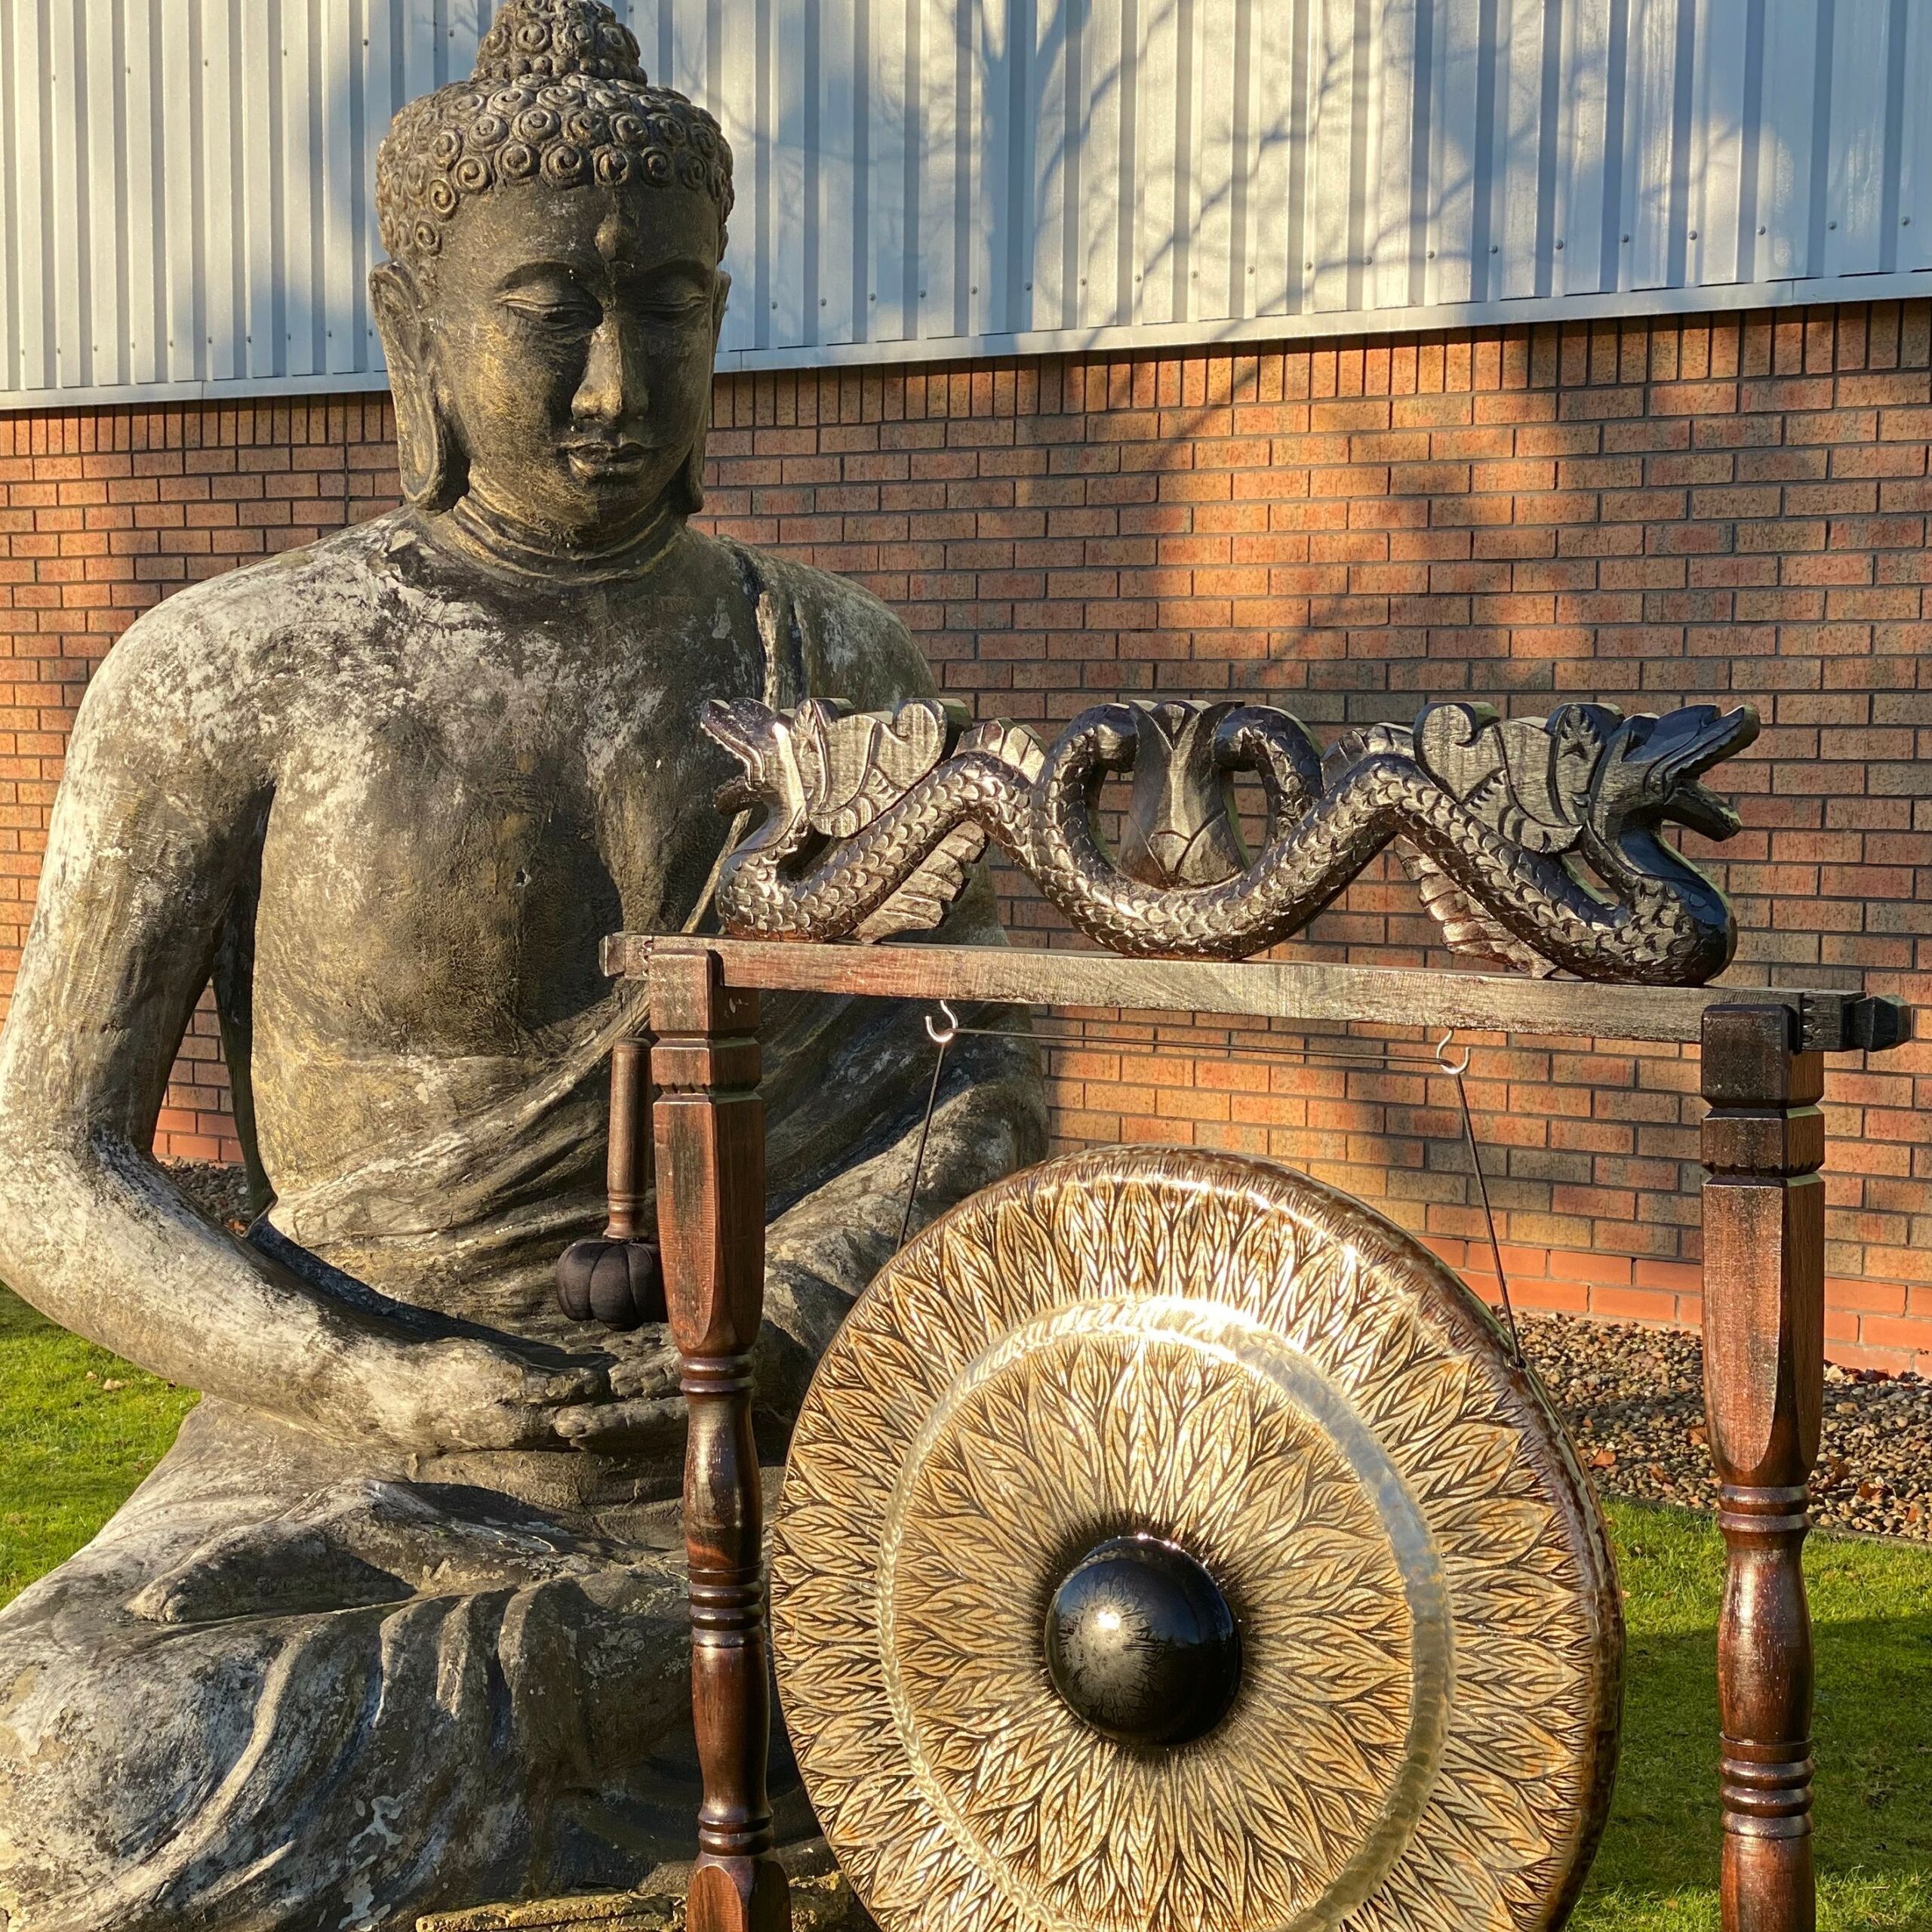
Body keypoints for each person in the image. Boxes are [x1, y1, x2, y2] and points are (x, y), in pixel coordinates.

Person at [0, 5, 1042, 1925]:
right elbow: (41, 1170)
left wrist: (777, 1308)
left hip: (754, 1418)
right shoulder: (234, 670)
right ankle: (717, 1680)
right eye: (551, 309)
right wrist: (364, 1375)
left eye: (674, 304)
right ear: (412, 329)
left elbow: (982, 1079)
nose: (618, 381)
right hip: (363, 1446)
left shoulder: (840, 663)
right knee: (58, 1755)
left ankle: (723, 1656)